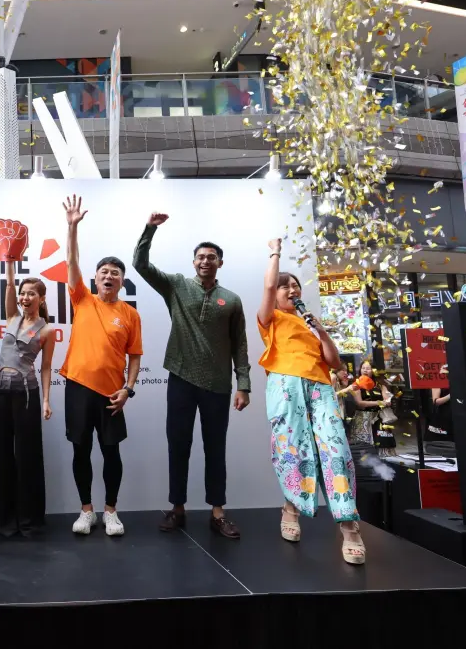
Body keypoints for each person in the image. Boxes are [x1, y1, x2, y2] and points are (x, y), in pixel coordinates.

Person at [132, 212, 250, 539]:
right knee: (178, 446)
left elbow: (240, 344)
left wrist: (244, 384)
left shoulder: (232, 300)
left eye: (211, 257)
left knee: (216, 449)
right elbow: (140, 264)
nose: (205, 261)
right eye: (200, 257)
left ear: (220, 263)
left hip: (217, 385)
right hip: (181, 379)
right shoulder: (177, 286)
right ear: (193, 261)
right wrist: (150, 228)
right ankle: (177, 509)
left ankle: (217, 512)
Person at [257, 238, 364, 565]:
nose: (291, 290)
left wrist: (322, 331)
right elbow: (269, 283)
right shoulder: (271, 318)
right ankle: (291, 508)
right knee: (294, 449)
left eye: (296, 287)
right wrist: (275, 253)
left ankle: (349, 525)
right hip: (286, 386)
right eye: (285, 287)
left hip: (320, 387)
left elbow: (335, 363)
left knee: (335, 449)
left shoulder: (309, 323)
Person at [61, 195, 142, 537]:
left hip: (112, 393)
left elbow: (135, 356)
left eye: (115, 273)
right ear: (94, 279)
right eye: (104, 272)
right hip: (79, 387)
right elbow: (71, 262)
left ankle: (111, 511)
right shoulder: (82, 299)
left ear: (122, 281)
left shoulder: (130, 314)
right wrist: (72, 227)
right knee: (81, 450)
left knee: (111, 452)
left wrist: (128, 388)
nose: (109, 276)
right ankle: (86, 511)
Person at [0, 261, 55, 537]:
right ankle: (4, 521)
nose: (25, 298)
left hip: (26, 395)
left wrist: (46, 400)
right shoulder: (11, 316)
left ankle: (29, 522)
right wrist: (10, 262)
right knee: (1, 456)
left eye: (31, 294)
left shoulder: (46, 330)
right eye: (23, 293)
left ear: (41, 298)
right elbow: (8, 286)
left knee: (27, 458)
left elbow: (46, 367)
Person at [350, 361, 395, 457]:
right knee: (363, 445)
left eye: (368, 368)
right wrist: (378, 402)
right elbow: (360, 403)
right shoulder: (356, 384)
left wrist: (387, 400)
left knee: (383, 442)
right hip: (363, 418)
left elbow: (387, 398)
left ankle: (386, 465)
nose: (365, 370)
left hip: (379, 417)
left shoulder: (380, 384)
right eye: (363, 368)